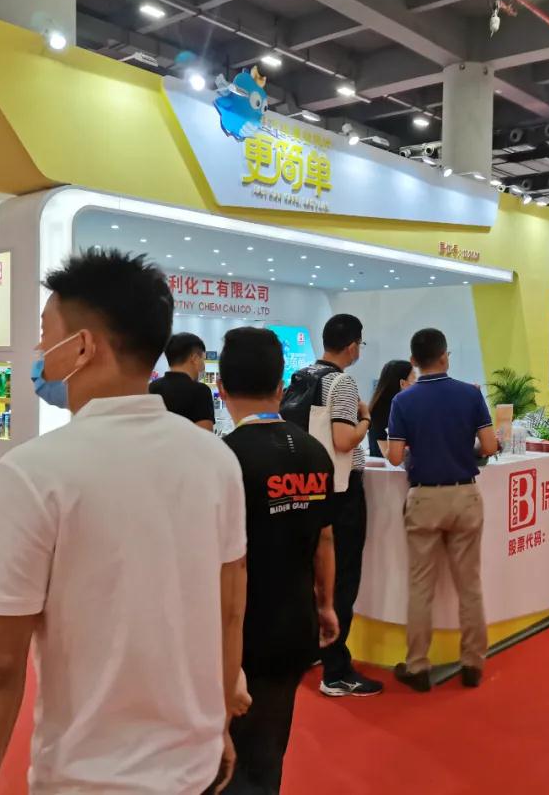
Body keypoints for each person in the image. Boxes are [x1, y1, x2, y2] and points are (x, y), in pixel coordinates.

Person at [0, 250, 248, 795]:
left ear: (81, 347)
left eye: (45, 335)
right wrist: (219, 722)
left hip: (88, 779)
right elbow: (229, 610)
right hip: (195, 768)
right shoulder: (216, 459)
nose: (39, 352)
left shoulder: (34, 472)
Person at [218, 327, 340, 794]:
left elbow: (227, 564)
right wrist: (325, 605)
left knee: (227, 755)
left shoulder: (224, 459)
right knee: (270, 744)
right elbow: (325, 537)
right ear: (280, 387)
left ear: (222, 388)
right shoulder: (314, 452)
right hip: (296, 622)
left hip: (240, 633)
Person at [385, 328, 499, 692]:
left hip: (424, 499)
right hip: (465, 495)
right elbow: (490, 445)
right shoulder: (470, 394)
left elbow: (394, 455)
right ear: (445, 356)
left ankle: (418, 666)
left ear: (414, 361)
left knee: (421, 587)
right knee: (470, 585)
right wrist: (464, 449)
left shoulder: (403, 401)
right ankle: (472, 663)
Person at [291, 314, 383, 697]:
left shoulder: (303, 377)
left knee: (314, 577)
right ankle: (336, 671)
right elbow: (344, 441)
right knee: (342, 579)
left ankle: (315, 649)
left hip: (310, 488)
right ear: (352, 346)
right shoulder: (341, 383)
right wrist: (366, 419)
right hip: (342, 491)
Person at [149, 332, 216, 430]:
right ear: (195, 358)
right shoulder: (200, 391)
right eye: (203, 359)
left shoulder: (152, 388)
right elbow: (206, 433)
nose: (203, 365)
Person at [368, 359, 415, 458]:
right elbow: (389, 455)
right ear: (402, 383)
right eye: (414, 377)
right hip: (387, 466)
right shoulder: (381, 411)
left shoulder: (401, 407)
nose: (417, 384)